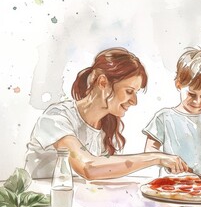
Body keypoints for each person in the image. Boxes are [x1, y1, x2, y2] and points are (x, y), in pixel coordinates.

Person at [25, 47, 189, 180]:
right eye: (129, 91)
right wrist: (156, 157)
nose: (134, 101)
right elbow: (88, 167)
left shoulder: (105, 128)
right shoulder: (56, 117)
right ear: (103, 82)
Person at [144, 47, 201, 176]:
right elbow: (149, 151)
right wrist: (165, 160)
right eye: (192, 94)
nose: (197, 101)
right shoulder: (164, 117)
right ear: (179, 84)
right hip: (172, 185)